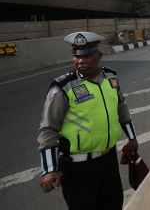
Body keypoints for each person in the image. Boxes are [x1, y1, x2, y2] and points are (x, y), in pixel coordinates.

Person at [38, 31, 138, 210]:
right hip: (78, 168)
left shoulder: (111, 78)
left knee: (113, 204)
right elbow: (48, 129)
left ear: (99, 56)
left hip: (108, 161)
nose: (81, 60)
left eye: (87, 55)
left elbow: (121, 108)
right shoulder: (63, 87)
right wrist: (49, 169)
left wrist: (132, 137)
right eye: (77, 56)